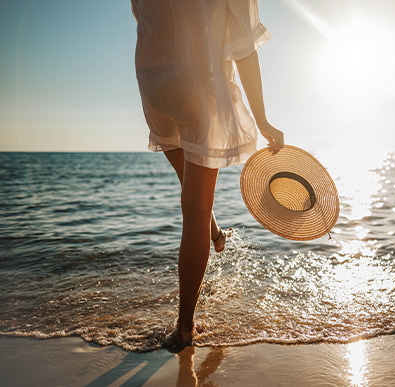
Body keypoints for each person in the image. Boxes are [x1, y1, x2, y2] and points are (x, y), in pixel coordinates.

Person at [131, 0, 284, 345]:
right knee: (195, 208)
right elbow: (244, 46)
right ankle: (185, 327)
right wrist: (262, 119)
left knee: (192, 191)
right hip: (199, 82)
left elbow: (143, 16)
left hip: (154, 83)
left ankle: (214, 231)